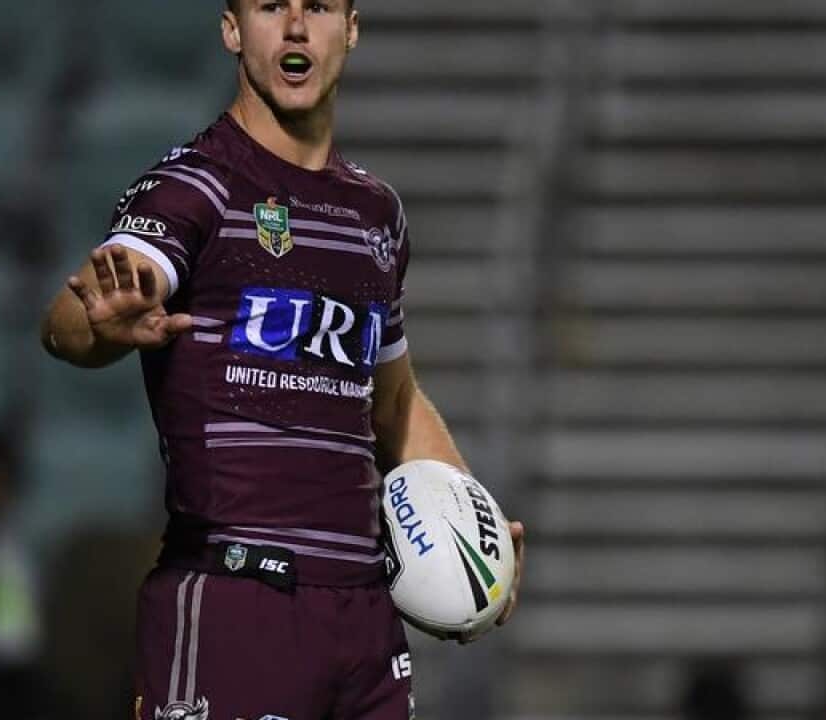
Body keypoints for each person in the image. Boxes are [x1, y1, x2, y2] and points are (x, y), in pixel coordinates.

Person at [41, 1, 526, 717]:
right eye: (272, 6)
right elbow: (69, 323)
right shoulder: (193, 187)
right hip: (236, 604)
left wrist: (475, 543)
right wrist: (103, 323)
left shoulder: (375, 214)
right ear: (233, 29)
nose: (296, 27)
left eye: (319, 7)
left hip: (364, 618)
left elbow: (391, 402)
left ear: (351, 28)